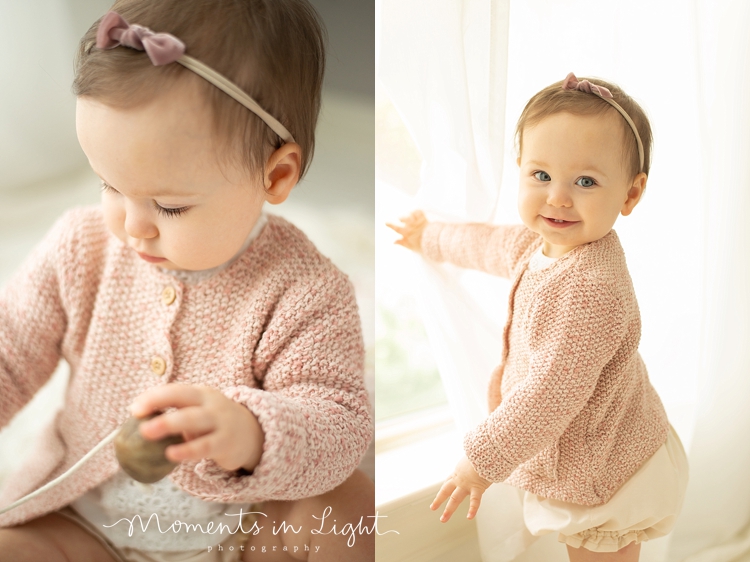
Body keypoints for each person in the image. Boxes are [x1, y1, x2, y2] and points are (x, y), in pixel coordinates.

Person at [0, 2, 373, 561]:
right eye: (108, 184)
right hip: (84, 525)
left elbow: (339, 424)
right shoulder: (81, 248)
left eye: (170, 206)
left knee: (348, 511)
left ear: (274, 175)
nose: (131, 225)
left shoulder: (307, 291)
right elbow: (10, 348)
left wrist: (252, 433)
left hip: (242, 529)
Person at [388, 73, 688, 561]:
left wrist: (480, 461)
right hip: (602, 439)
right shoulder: (540, 243)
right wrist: (431, 238)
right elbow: (490, 244)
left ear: (630, 195)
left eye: (585, 182)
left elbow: (551, 393)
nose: (558, 198)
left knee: (598, 550)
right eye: (541, 175)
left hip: (605, 463)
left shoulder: (592, 290)